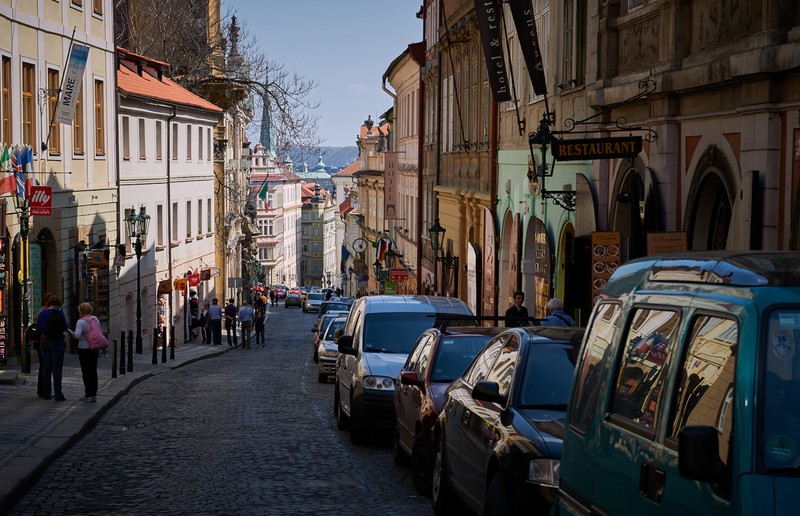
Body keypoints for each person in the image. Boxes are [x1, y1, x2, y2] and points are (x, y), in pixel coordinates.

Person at [35, 296, 69, 401]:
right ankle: (58, 394)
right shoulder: (60, 312)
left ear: (49, 303)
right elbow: (65, 326)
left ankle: (46, 394)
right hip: (57, 341)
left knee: (46, 368)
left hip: (44, 342)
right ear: (57, 304)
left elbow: (38, 329)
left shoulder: (42, 313)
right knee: (57, 368)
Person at [68, 302, 100, 402]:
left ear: (80, 310)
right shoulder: (95, 319)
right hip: (94, 348)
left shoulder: (81, 322)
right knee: (93, 371)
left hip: (84, 349)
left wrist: (69, 330)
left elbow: (77, 336)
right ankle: (94, 394)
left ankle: (88, 394)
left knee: (86, 371)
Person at [32, 292, 55, 398]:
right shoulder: (44, 312)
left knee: (43, 366)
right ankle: (44, 391)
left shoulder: (42, 312)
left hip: (40, 342)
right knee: (45, 367)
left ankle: (41, 390)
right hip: (43, 342)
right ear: (47, 302)